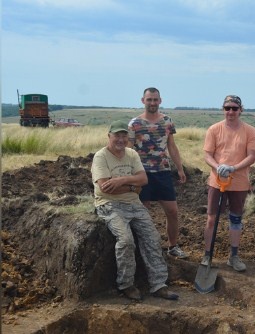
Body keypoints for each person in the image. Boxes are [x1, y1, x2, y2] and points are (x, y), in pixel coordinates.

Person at [91, 120, 179, 301]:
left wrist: (121, 181)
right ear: (109, 136)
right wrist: (133, 186)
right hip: (109, 205)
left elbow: (143, 180)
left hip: (134, 204)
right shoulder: (101, 157)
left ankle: (158, 285)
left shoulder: (131, 154)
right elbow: (105, 188)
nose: (121, 139)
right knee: (126, 240)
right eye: (117, 135)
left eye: (124, 136)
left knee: (153, 238)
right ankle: (126, 284)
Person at [128, 87, 188, 259]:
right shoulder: (135, 124)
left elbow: (172, 146)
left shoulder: (167, 121)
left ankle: (173, 246)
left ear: (160, 101)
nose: (152, 103)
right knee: (143, 213)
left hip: (162, 172)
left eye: (155, 99)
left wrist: (180, 168)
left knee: (172, 211)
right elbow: (129, 149)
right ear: (143, 101)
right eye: (149, 99)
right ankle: (143, 249)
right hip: (142, 173)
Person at [201, 95, 255, 271]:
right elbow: (207, 155)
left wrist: (233, 168)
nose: (230, 111)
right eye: (227, 108)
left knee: (236, 218)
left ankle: (234, 256)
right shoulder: (214, 129)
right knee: (211, 219)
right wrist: (218, 167)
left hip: (239, 183)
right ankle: (207, 255)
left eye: (234, 108)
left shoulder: (250, 131)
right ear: (223, 109)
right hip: (217, 182)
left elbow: (252, 156)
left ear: (240, 110)